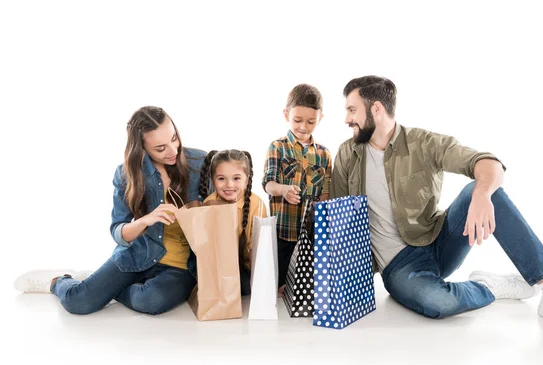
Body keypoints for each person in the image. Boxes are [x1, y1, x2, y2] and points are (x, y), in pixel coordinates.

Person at [331, 75, 543, 331]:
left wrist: (481, 195)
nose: (347, 119)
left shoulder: (423, 142)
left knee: (484, 189)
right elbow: (337, 215)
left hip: (437, 240)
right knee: (439, 302)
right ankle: (490, 287)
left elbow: (488, 163)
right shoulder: (347, 154)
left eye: (352, 110)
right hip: (399, 265)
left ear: (376, 108)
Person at [14, 106, 207, 315]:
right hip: (138, 255)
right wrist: (144, 221)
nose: (173, 150)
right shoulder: (126, 174)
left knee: (151, 301)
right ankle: (58, 281)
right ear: (141, 148)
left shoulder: (200, 162)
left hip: (181, 266)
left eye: (174, 138)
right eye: (160, 148)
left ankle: (103, 286)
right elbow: (118, 231)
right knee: (78, 302)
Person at [262, 84, 332, 295]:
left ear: (320, 118)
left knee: (302, 289)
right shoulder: (277, 147)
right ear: (286, 115)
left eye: (311, 122)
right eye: (297, 120)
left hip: (310, 235)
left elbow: (326, 191)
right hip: (283, 232)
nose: (303, 127)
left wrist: (322, 205)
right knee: (280, 287)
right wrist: (283, 190)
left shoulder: (324, 154)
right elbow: (268, 184)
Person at [199, 149, 267, 296]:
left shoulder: (257, 205)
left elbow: (259, 251)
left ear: (247, 180)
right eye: (221, 179)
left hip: (243, 265)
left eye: (236, 178)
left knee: (245, 289)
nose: (229, 185)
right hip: (216, 265)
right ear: (213, 180)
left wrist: (263, 283)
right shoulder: (208, 203)